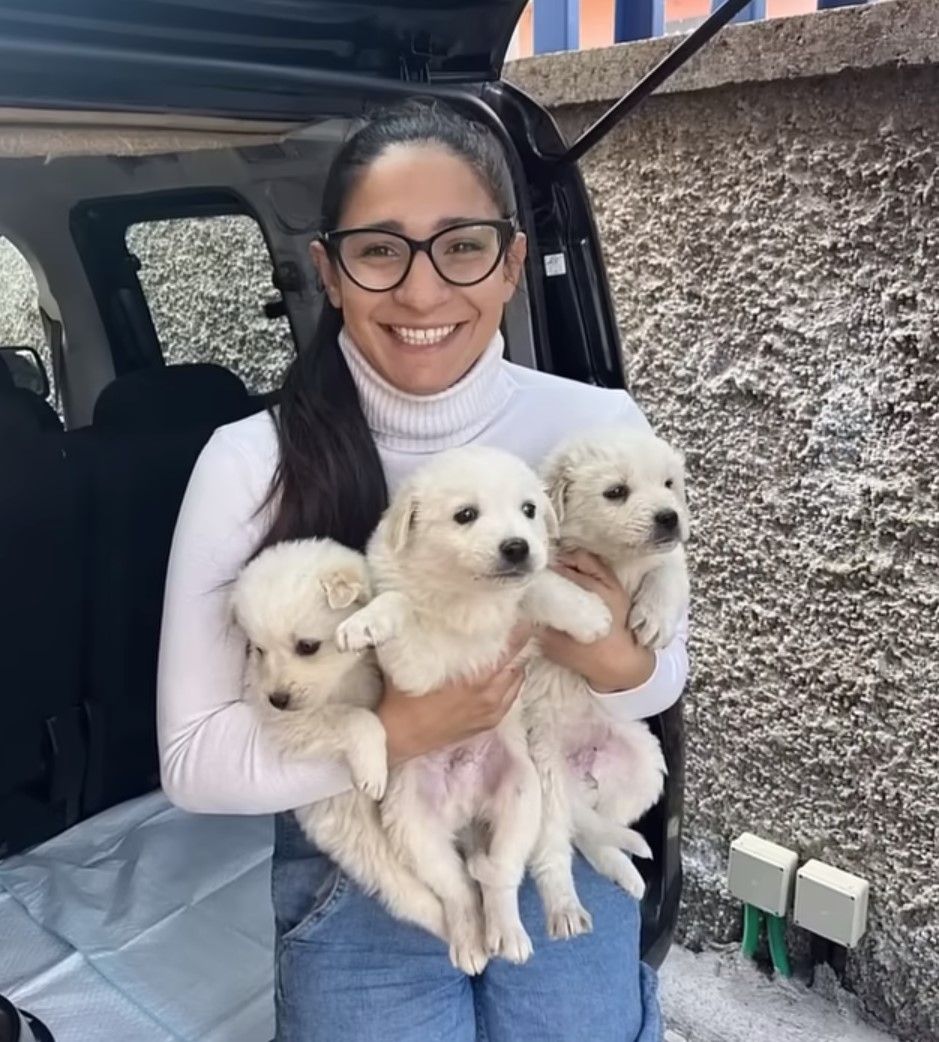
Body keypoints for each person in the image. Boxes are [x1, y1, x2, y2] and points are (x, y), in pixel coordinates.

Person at [156, 98, 688, 1042]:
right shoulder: (247, 462)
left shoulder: (594, 427)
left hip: (554, 808)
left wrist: (615, 663)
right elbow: (193, 761)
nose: (421, 290)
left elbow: (659, 673)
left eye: (462, 245)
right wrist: (400, 727)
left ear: (513, 260)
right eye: (379, 250)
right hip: (365, 849)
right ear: (328, 268)